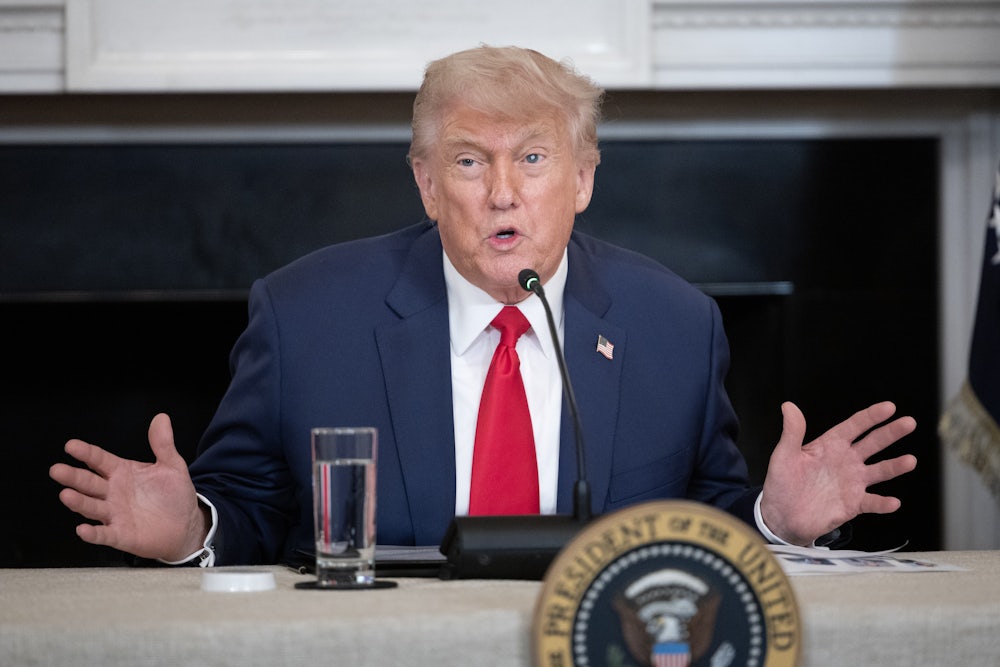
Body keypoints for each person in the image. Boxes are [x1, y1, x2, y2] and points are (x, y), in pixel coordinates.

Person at [49, 45, 917, 567]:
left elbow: (705, 533)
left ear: (581, 179)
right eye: (470, 162)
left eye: (533, 159)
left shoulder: (674, 327)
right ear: (427, 184)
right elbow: (250, 510)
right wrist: (192, 527)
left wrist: (775, 523)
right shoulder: (306, 316)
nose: (504, 193)